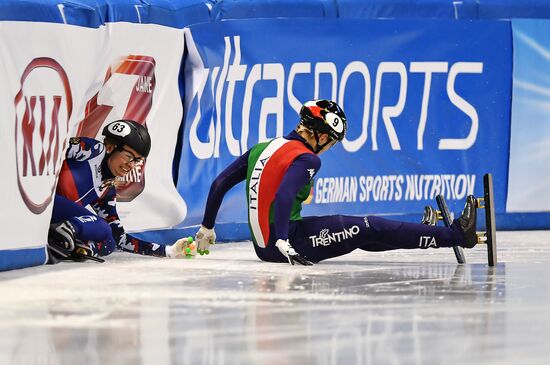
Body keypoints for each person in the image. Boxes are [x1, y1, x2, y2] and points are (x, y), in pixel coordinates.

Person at [193, 99, 479, 265]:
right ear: (320, 135)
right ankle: (457, 235)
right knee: (369, 226)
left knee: (360, 234)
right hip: (288, 244)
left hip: (265, 245)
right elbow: (282, 196)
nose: (331, 147)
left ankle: (416, 234)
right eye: (332, 141)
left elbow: (219, 182)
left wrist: (207, 228)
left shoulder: (262, 147)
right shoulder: (307, 159)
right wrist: (282, 241)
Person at [48, 119, 193, 262]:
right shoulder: (92, 150)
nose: (131, 165)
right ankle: (66, 231)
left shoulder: (106, 190)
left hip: (56, 217)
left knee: (109, 241)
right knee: (103, 227)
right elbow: (50, 149)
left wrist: (169, 251)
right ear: (111, 147)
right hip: (48, 203)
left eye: (137, 161)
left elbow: (121, 239)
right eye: (129, 156)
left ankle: (76, 245)